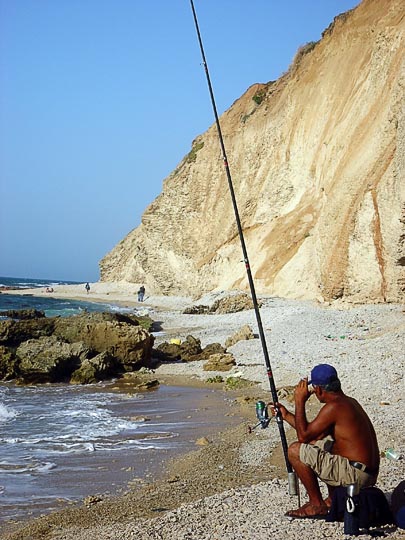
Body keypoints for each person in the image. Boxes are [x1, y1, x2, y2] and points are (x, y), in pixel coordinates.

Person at [271, 363, 379, 519]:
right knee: (322, 443)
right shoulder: (348, 402)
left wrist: (299, 401)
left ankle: (316, 504)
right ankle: (333, 498)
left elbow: (303, 437)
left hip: (356, 476)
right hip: (366, 473)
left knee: (295, 450)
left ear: (319, 389)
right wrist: (286, 415)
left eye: (314, 390)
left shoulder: (333, 407)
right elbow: (312, 436)